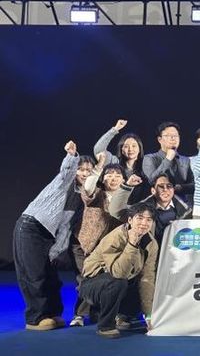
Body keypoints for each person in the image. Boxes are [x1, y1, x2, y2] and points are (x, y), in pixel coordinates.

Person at [13, 141, 94, 331]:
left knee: (51, 277)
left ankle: (53, 313)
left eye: (88, 170)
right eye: (81, 169)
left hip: (48, 234)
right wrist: (72, 156)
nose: (84, 173)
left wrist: (55, 251)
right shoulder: (65, 182)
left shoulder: (81, 197)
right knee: (35, 275)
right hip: (30, 227)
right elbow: (66, 170)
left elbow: (65, 227)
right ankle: (36, 318)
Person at [70, 155, 142, 327]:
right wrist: (98, 168)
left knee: (113, 278)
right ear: (103, 179)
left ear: (123, 179)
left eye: (118, 175)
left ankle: (113, 313)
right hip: (86, 245)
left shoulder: (125, 199)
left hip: (109, 247)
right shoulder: (97, 193)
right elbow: (87, 188)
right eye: (109, 175)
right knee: (86, 277)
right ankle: (79, 315)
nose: (113, 178)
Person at [79, 203, 158, 339]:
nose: (144, 223)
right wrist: (132, 245)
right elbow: (118, 273)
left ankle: (122, 315)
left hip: (122, 280)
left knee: (143, 285)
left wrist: (149, 315)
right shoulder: (115, 237)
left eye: (148, 220)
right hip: (93, 284)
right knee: (117, 282)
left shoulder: (151, 244)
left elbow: (147, 277)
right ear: (130, 220)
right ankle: (106, 325)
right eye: (139, 218)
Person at [110, 173, 192, 245]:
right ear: (153, 190)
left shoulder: (187, 211)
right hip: (148, 253)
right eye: (161, 186)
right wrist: (128, 185)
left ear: (173, 190)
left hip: (173, 252)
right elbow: (117, 211)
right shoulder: (141, 208)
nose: (165, 189)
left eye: (169, 186)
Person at [93, 119, 149, 203]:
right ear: (121, 150)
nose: (130, 149)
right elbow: (98, 150)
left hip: (138, 207)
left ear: (139, 149)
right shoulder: (114, 162)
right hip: (114, 205)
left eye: (134, 146)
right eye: (126, 146)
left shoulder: (146, 164)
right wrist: (115, 129)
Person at [142, 121, 194, 202]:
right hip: (158, 203)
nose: (173, 138)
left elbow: (194, 184)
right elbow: (152, 180)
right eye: (168, 135)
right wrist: (168, 159)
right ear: (160, 139)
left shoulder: (185, 160)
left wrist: (181, 187)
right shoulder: (150, 158)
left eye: (175, 135)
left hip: (182, 204)